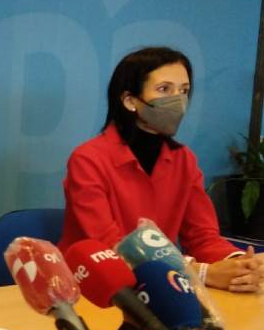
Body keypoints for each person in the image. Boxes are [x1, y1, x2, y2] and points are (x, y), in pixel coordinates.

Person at [58, 46, 263, 292]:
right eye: (164, 89)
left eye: (184, 91)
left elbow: (202, 236)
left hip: (159, 287)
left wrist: (239, 264)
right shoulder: (88, 158)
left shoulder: (183, 159)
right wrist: (199, 272)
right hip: (92, 287)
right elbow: (112, 246)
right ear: (130, 100)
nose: (178, 100)